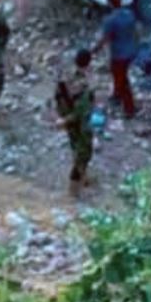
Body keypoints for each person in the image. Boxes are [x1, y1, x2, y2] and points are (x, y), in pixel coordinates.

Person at [54, 48, 96, 197]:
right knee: (84, 152)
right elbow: (81, 111)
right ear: (89, 64)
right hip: (79, 122)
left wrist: (63, 117)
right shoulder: (84, 86)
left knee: (75, 146)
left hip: (67, 117)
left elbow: (57, 96)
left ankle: (82, 176)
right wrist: (66, 119)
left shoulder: (65, 77)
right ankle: (74, 187)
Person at [92, 0, 139, 119]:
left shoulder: (110, 20)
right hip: (131, 51)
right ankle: (117, 95)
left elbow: (105, 38)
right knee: (119, 75)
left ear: (109, 2)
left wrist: (94, 50)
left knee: (122, 79)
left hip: (119, 54)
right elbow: (135, 32)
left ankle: (129, 109)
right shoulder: (129, 14)